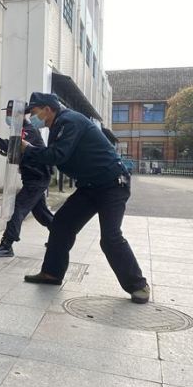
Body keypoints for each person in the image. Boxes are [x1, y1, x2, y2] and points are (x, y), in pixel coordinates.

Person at [21, 92, 150, 304]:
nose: (32, 117)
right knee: (61, 225)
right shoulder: (57, 125)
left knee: (110, 237)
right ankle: (51, 273)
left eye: (34, 112)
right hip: (89, 186)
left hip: (112, 184)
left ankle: (139, 285)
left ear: (47, 109)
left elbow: (57, 155)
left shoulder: (70, 121)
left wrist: (28, 149)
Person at [0, 117, 53, 257]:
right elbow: (19, 150)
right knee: (41, 212)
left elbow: (13, 145)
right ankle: (61, 235)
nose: (9, 118)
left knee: (17, 208)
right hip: (34, 178)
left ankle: (6, 245)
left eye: (11, 114)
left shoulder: (29, 130)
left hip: (37, 179)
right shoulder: (22, 130)